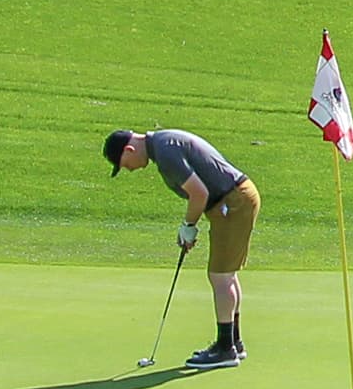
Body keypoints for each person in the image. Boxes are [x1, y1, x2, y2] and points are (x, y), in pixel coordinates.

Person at [103, 128, 260, 369]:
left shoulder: (166, 151)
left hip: (233, 201)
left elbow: (199, 193)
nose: (129, 169)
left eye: (124, 164)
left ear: (129, 149)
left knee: (220, 276)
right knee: (225, 274)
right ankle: (233, 343)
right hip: (235, 198)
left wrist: (188, 226)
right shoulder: (164, 144)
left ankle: (225, 348)